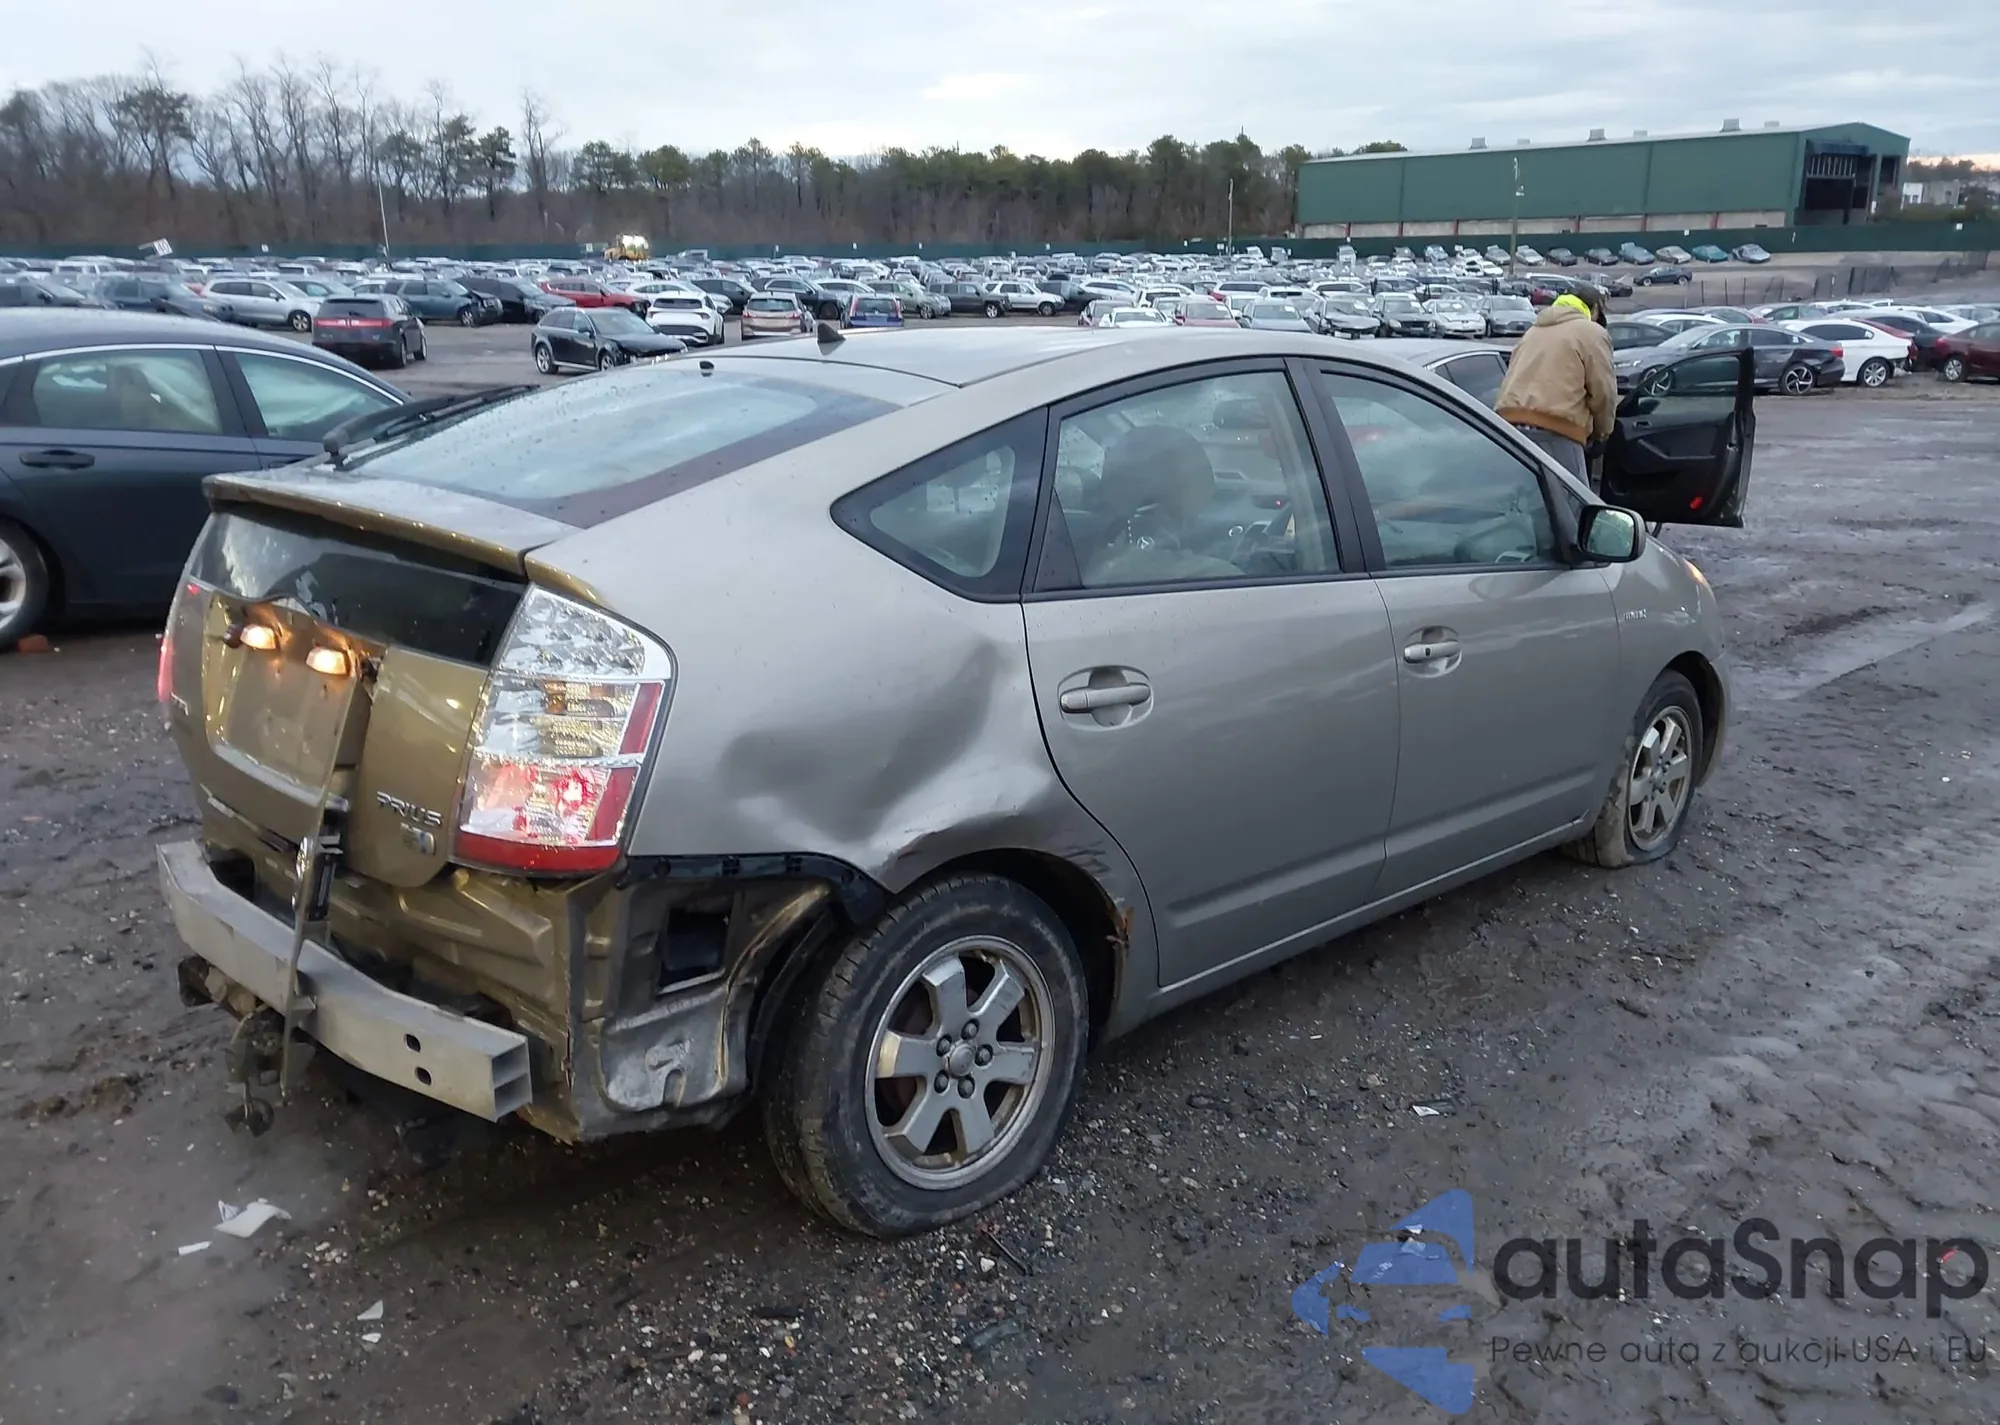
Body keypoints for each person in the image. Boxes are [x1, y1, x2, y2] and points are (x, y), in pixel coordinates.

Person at [1083, 424, 1242, 587]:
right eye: (1201, 472)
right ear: (1176, 487)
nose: (1213, 485)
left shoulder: (1101, 562)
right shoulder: (1214, 576)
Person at [1493, 284, 1615, 489]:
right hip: (1557, 429)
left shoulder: (1534, 331)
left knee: (1526, 497)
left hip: (1510, 428)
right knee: (1572, 499)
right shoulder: (1592, 332)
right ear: (1594, 308)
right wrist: (1602, 434)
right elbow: (1604, 392)